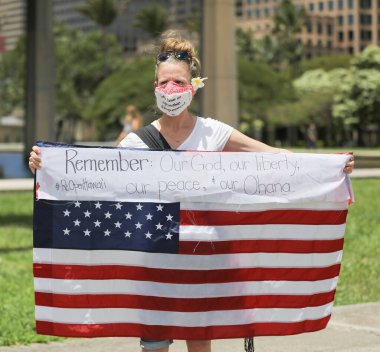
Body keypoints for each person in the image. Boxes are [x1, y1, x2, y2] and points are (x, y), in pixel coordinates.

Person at [28, 33, 355, 352]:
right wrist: (47, 165)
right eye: (164, 83)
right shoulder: (134, 143)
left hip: (203, 261)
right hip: (153, 261)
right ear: (155, 88)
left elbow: (271, 156)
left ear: (194, 87)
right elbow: (96, 178)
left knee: (199, 343)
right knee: (155, 344)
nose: (171, 90)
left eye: (179, 82)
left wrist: (329, 166)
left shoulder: (213, 132)